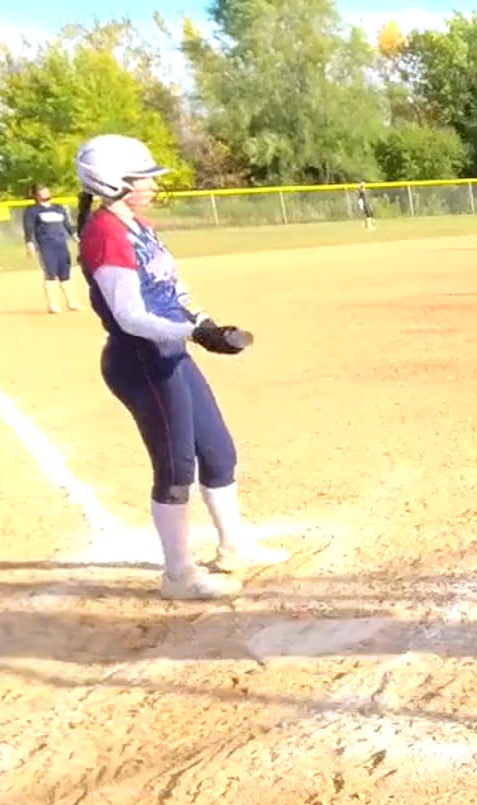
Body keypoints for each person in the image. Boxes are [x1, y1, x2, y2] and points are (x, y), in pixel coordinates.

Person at [74, 134, 290, 601]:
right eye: (141, 178)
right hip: (141, 359)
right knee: (176, 467)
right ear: (110, 182)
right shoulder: (106, 233)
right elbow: (131, 317)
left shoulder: (137, 226)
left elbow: (172, 290)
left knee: (218, 451)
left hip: (167, 351)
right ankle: (178, 574)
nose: (151, 184)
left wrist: (205, 323)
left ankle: (234, 546)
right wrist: (194, 334)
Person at [22, 186, 79, 314]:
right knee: (50, 275)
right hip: (46, 246)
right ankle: (53, 305)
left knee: (66, 275)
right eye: (42, 191)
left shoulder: (58, 208)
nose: (46, 192)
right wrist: (29, 243)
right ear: (36, 195)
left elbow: (67, 225)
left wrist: (75, 236)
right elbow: (28, 227)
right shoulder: (32, 210)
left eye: (47, 190)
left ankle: (72, 302)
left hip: (61, 245)